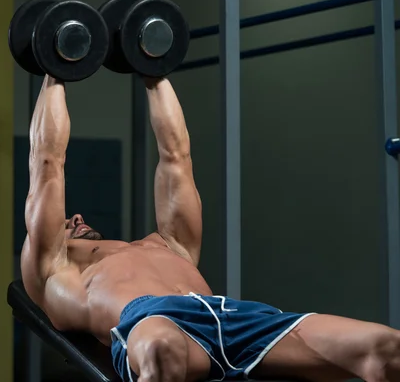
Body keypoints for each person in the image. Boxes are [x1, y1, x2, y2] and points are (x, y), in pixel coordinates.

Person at [20, 75, 400, 382]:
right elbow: (48, 164)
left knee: (385, 348)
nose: (77, 219)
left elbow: (176, 157)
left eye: (79, 218)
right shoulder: (55, 266)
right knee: (160, 353)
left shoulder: (165, 244)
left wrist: (154, 72)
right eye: (69, 223)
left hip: (233, 319)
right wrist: (57, 72)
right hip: (152, 322)